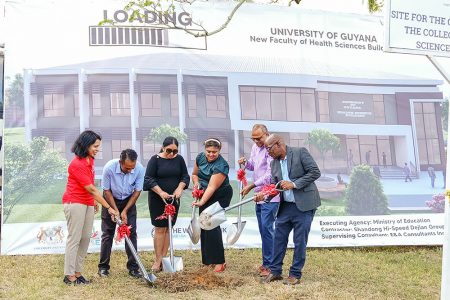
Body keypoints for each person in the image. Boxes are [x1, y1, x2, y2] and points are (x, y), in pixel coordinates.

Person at [257, 134, 321, 285]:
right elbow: (275, 187)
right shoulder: (274, 163)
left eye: (269, 148)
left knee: (299, 241)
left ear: (278, 144)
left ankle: (295, 274)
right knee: (278, 239)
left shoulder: (300, 152)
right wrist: (263, 195)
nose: (267, 152)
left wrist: (294, 184)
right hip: (285, 207)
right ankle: (275, 271)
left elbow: (315, 172)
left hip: (304, 206)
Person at [62, 130, 119, 285]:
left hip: (87, 202)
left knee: (86, 237)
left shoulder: (90, 160)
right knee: (74, 238)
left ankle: (78, 273)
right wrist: (109, 207)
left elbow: (90, 185)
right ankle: (69, 275)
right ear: (86, 144)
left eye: (98, 146)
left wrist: (93, 201)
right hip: (74, 202)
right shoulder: (77, 163)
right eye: (95, 146)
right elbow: (92, 189)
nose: (97, 149)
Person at [237, 124, 280, 277]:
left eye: (259, 138)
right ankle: (266, 263)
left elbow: (270, 175)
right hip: (258, 196)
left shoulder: (270, 149)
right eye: (253, 139)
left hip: (270, 196)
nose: (256, 141)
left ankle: (271, 265)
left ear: (266, 134)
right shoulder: (256, 148)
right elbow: (254, 165)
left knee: (268, 230)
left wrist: (251, 185)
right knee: (264, 230)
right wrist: (245, 163)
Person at [144, 137, 190, 272]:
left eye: (175, 151)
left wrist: (180, 188)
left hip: (173, 199)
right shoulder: (155, 160)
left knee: (169, 228)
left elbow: (185, 177)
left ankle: (164, 259)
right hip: (158, 199)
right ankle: (157, 260)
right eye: (169, 150)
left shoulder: (179, 159)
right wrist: (161, 192)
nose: (171, 154)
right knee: (160, 229)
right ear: (163, 148)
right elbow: (148, 179)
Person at [98, 149, 145, 278]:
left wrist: (124, 211)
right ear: (120, 162)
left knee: (131, 233)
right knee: (107, 233)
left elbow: (137, 192)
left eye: (132, 168)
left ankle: (133, 268)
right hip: (110, 199)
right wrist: (115, 210)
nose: (130, 170)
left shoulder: (140, 169)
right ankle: (103, 267)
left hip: (128, 201)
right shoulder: (109, 168)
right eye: (127, 168)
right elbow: (106, 190)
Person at [192, 138, 233, 273]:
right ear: (204, 149)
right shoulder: (200, 158)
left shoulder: (222, 165)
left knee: (212, 225)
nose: (211, 154)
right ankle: (208, 260)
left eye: (214, 152)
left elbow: (212, 187)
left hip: (219, 194)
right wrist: (196, 185)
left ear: (219, 151)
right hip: (204, 193)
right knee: (203, 225)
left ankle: (219, 262)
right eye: (208, 151)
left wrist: (202, 201)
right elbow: (194, 174)